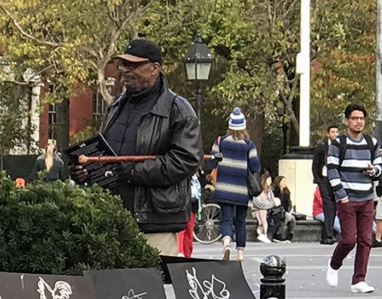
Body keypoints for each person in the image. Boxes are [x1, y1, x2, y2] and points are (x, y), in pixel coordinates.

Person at [75, 38, 201, 256]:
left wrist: (135, 171)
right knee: (112, 288)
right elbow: (107, 153)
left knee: (148, 287)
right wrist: (87, 170)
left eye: (133, 65)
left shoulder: (178, 110)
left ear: (154, 69)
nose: (125, 70)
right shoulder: (116, 104)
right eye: (123, 64)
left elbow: (186, 160)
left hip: (154, 222)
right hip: (112, 218)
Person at [325, 103, 382, 294]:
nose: (359, 122)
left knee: (366, 239)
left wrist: (374, 171)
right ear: (346, 121)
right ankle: (334, 264)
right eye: (355, 118)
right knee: (349, 239)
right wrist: (341, 196)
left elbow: (379, 167)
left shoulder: (372, 143)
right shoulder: (338, 143)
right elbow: (331, 170)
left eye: (361, 119)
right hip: (347, 198)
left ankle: (359, 279)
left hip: (366, 197)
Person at [208, 107, 261, 260]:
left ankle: (226, 244)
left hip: (224, 189)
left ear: (230, 125)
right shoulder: (249, 145)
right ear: (243, 126)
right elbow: (255, 166)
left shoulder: (220, 141)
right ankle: (240, 253)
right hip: (242, 191)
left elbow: (212, 163)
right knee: (240, 221)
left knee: (226, 219)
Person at [312, 124, 339, 244]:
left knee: (333, 206)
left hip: (335, 179)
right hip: (324, 179)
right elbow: (315, 165)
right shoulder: (322, 147)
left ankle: (327, 235)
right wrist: (318, 179)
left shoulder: (339, 146)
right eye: (332, 132)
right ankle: (328, 235)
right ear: (328, 134)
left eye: (336, 132)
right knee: (328, 206)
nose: (334, 134)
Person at [252, 171, 276, 243]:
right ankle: (264, 232)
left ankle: (265, 232)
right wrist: (272, 204)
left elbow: (273, 200)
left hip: (269, 209)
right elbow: (258, 204)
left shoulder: (270, 191)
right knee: (263, 211)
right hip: (259, 210)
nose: (271, 182)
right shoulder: (259, 191)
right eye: (269, 180)